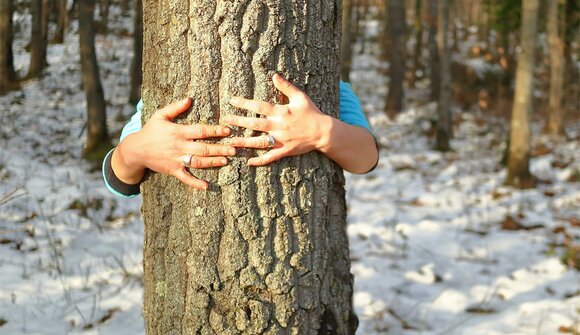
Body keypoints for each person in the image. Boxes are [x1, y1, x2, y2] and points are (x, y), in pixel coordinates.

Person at [103, 74, 378, 197]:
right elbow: (118, 178)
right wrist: (135, 150)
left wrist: (320, 131)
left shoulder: (329, 85)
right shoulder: (167, 89)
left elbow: (366, 157)